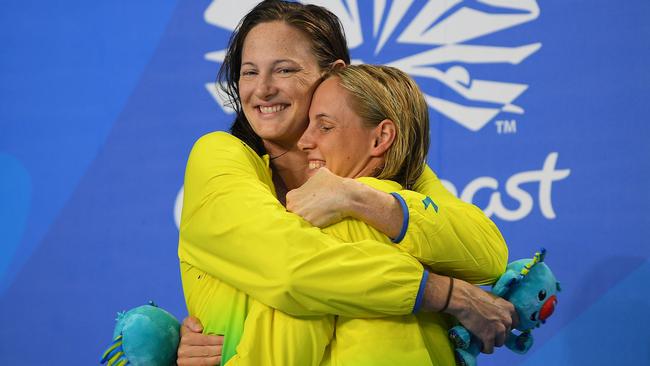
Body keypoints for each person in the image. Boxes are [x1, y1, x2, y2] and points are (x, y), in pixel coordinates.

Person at [177, 1, 513, 365]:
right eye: (249, 72)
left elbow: (488, 254)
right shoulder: (218, 156)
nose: (262, 90)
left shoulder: (374, 166)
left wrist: (360, 199)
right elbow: (294, 270)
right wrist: (444, 293)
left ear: (332, 73)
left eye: (285, 69)